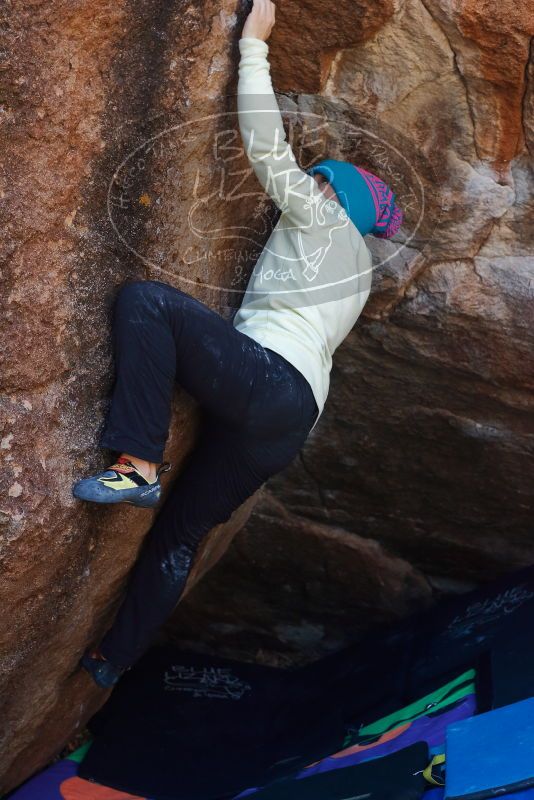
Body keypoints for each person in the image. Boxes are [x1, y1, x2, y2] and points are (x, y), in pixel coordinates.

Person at [76, 0, 403, 689]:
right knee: (180, 538)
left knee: (147, 304)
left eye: (322, 179)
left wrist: (253, 47)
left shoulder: (323, 217)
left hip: (268, 381)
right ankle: (113, 659)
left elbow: (266, 148)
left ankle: (137, 465)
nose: (311, 182)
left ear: (334, 194)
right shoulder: (359, 273)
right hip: (289, 420)